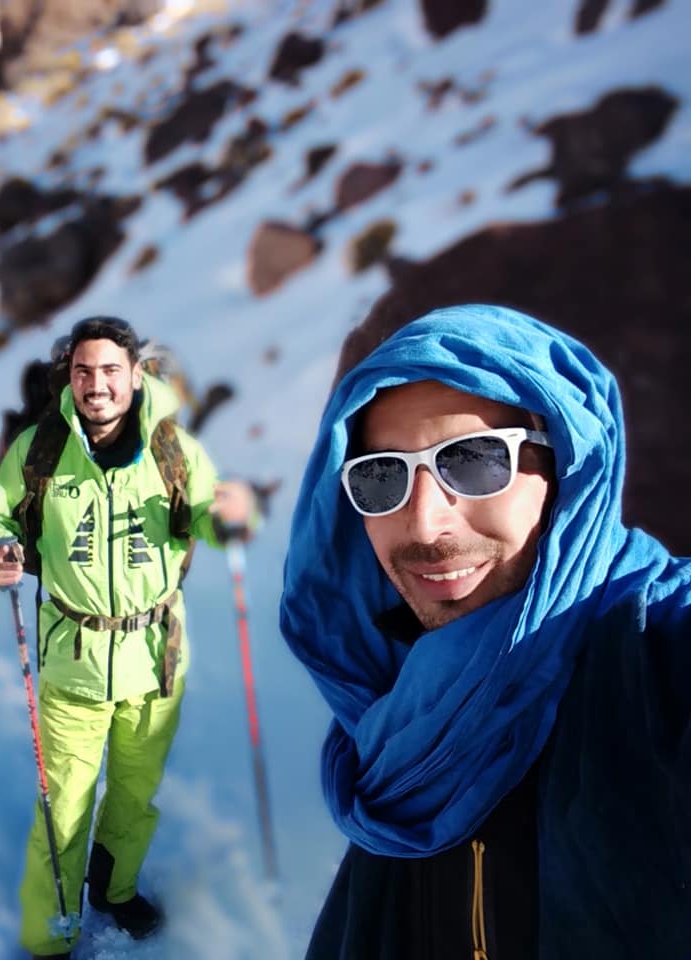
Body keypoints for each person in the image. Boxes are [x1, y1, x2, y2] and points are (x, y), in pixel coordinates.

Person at [280, 304, 690, 959]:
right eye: (381, 475)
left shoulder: (653, 651)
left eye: (471, 460)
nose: (425, 523)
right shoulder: (389, 695)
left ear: (568, 466)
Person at [0, 316, 257, 959]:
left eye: (109, 371)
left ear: (134, 374)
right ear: (68, 378)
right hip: (73, 661)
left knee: (134, 795)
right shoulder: (38, 451)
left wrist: (234, 516)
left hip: (157, 658)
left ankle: (114, 889)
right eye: (83, 372)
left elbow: (213, 521)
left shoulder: (175, 449)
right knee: (63, 809)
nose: (96, 385)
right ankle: (50, 934)